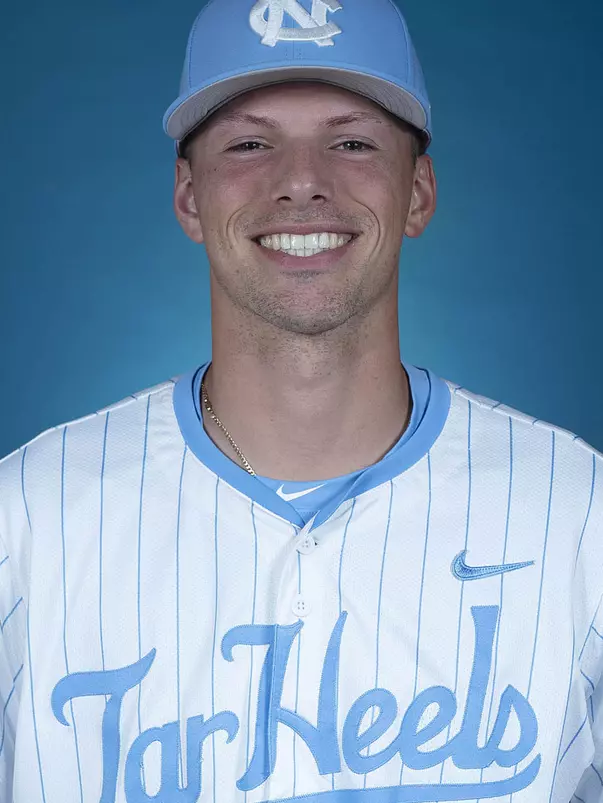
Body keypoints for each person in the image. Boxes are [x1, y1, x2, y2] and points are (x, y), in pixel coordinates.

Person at [0, 0, 601, 800]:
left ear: (417, 193)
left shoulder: (575, 512)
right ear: (189, 197)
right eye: (250, 143)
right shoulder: (28, 519)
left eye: (350, 142)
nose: (301, 182)